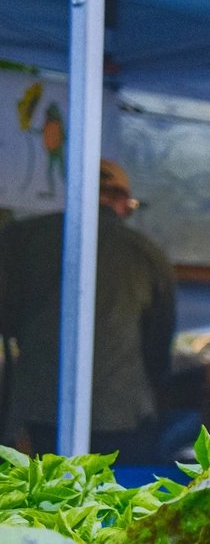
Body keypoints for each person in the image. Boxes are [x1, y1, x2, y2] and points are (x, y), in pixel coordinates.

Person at [0, 159, 175, 459]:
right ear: (121, 202)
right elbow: (159, 340)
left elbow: (6, 315)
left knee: (39, 498)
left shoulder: (23, 237)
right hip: (120, 413)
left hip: (39, 407)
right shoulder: (146, 252)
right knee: (113, 498)